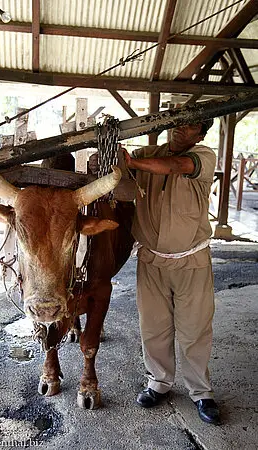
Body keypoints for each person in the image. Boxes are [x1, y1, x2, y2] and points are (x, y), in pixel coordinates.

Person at [123, 119, 220, 425]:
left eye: (190, 126)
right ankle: (159, 382)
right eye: (178, 123)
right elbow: (123, 168)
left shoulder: (203, 157)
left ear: (200, 134)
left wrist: (134, 162)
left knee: (195, 329)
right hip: (151, 261)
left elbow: (177, 165)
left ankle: (201, 392)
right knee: (153, 326)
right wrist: (114, 158)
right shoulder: (150, 151)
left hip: (192, 261)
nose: (181, 129)